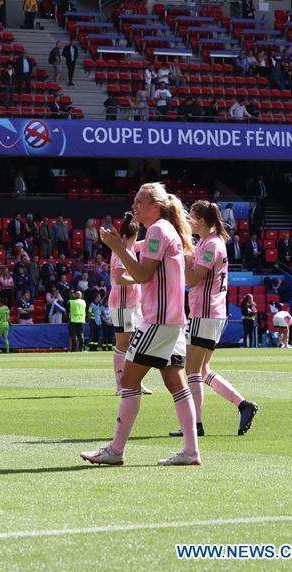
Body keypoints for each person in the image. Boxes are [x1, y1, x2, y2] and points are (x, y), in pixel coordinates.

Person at [83, 182, 201, 466]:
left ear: (155, 206)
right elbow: (146, 274)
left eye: (139, 202)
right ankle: (190, 451)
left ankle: (116, 450)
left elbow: (144, 274)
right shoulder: (163, 231)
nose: (134, 206)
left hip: (158, 319)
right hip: (172, 319)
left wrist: (118, 247)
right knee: (176, 382)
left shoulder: (159, 230)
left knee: (128, 381)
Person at [176, 200, 259, 439]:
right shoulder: (209, 242)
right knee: (202, 370)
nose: (189, 221)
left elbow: (192, 280)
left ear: (202, 221)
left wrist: (183, 258)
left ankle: (195, 425)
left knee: (191, 371)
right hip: (212, 312)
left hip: (205, 311)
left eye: (191, 217)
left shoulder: (211, 244)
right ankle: (243, 405)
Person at [107, 212, 152, 396]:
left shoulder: (130, 247)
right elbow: (119, 278)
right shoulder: (120, 252)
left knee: (137, 343)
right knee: (123, 345)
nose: (135, 242)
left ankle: (135, 382)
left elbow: (141, 245)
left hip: (134, 306)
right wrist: (140, 279)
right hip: (122, 307)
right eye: (133, 239)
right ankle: (120, 385)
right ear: (125, 237)